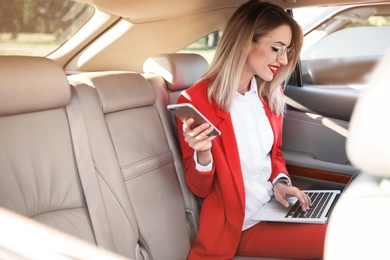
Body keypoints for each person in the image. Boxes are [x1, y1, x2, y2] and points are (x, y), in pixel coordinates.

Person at [175, 1, 327, 259]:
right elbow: (199, 188)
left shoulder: (270, 95)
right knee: (351, 236)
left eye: (287, 50)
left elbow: (274, 155)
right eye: (277, 48)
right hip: (242, 226)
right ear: (245, 42)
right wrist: (203, 154)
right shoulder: (195, 101)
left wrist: (280, 183)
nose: (285, 59)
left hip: (275, 207)